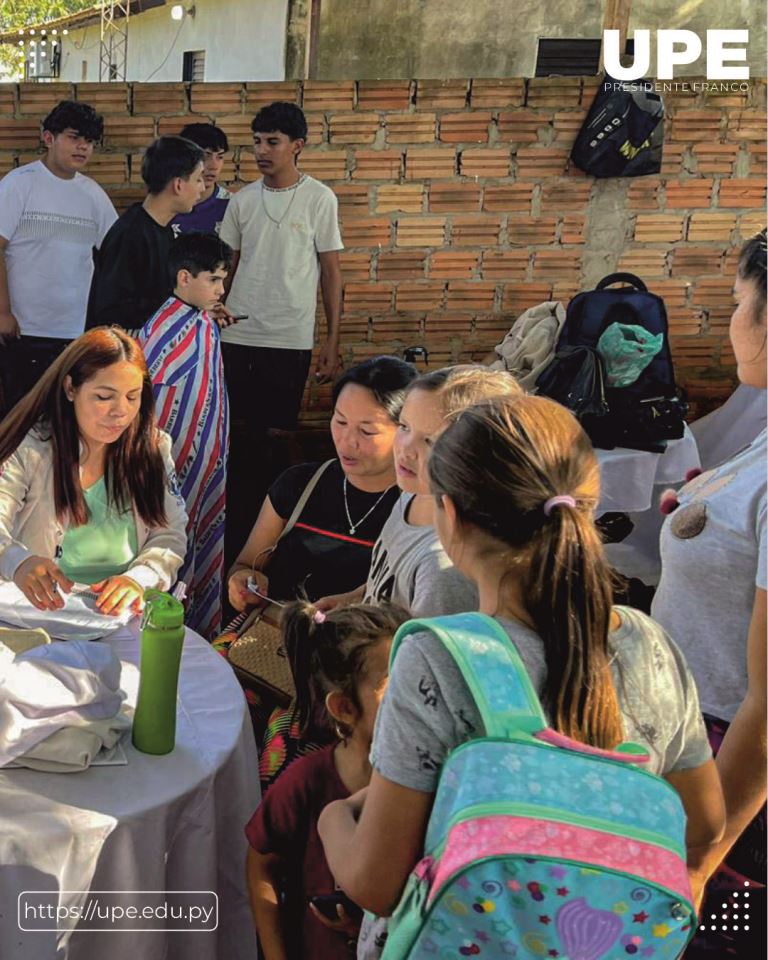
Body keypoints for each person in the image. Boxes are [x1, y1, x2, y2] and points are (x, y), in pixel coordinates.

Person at [318, 394, 725, 958]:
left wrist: (334, 818)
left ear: (449, 515)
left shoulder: (437, 658)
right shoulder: (649, 644)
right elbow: (703, 828)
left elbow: (376, 883)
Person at [651, 229, 767, 958]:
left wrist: (700, 856)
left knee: (710, 943)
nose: (729, 320)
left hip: (735, 796)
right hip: (696, 757)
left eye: (737, 302)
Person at [246, 601, 406, 960]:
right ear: (345, 708)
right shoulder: (308, 781)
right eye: (393, 687)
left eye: (420, 679)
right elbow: (260, 863)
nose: (416, 698)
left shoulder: (433, 783)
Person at [219, 101, 343, 561]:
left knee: (275, 439)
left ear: (297, 146)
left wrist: (331, 342)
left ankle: (266, 535)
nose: (261, 151)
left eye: (272, 142)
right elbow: (225, 269)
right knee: (235, 437)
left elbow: (331, 273)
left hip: (289, 339)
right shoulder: (242, 201)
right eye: (256, 142)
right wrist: (213, 316)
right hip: (236, 336)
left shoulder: (319, 199)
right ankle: (230, 533)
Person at [0, 328, 187, 616]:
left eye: (132, 397)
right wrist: (18, 562)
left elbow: (171, 534)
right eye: (104, 397)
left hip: (120, 618)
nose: (120, 412)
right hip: (33, 615)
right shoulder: (30, 448)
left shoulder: (154, 447)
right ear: (70, 388)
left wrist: (138, 579)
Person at [318, 365, 521, 617]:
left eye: (430, 440)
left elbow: (421, 651)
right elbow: (393, 583)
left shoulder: (444, 570)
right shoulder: (414, 492)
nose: (405, 449)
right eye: (404, 427)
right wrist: (353, 600)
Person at [227, 356, 416, 612]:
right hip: (276, 641)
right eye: (340, 422)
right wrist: (244, 583)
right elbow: (246, 564)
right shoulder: (299, 485)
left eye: (366, 431)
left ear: (406, 431)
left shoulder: (421, 508)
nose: (347, 441)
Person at [138, 232, 233, 638]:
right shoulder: (163, 331)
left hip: (206, 465)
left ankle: (194, 633)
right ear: (183, 278)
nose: (221, 288)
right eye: (213, 279)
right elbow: (150, 405)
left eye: (222, 279)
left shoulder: (200, 320)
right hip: (171, 467)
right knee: (170, 542)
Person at [0, 100, 117, 414]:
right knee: (21, 418)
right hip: (24, 330)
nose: (83, 147)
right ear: (48, 138)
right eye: (74, 137)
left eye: (90, 142)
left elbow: (116, 251)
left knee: (64, 420)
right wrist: (3, 312)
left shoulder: (93, 194)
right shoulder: (19, 185)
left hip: (76, 332)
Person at [86, 136, 205, 332]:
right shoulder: (130, 235)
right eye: (198, 179)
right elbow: (112, 311)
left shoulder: (163, 229)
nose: (202, 187)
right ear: (178, 185)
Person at [171, 123, 231, 237]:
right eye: (205, 155)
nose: (214, 166)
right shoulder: (167, 203)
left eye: (220, 157)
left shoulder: (233, 205)